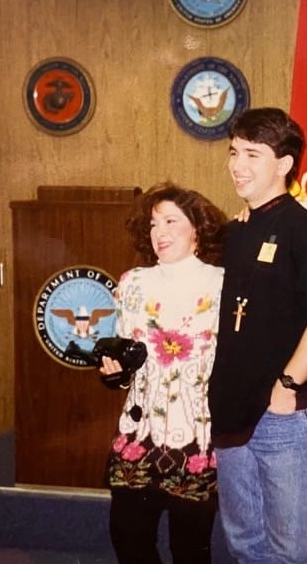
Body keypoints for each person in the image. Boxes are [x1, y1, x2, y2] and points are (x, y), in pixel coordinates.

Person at [208, 107, 307, 563]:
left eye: (252, 154)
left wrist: (288, 385)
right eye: (233, 152)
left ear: (284, 164)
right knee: (245, 545)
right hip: (232, 413)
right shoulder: (234, 233)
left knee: (292, 553)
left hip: (284, 415)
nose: (237, 165)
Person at [99, 183, 227, 564]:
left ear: (197, 230)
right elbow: (125, 360)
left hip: (196, 437)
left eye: (172, 221)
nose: (160, 232)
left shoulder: (223, 284)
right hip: (139, 434)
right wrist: (114, 372)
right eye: (154, 224)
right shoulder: (132, 283)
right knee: (128, 540)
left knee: (189, 549)